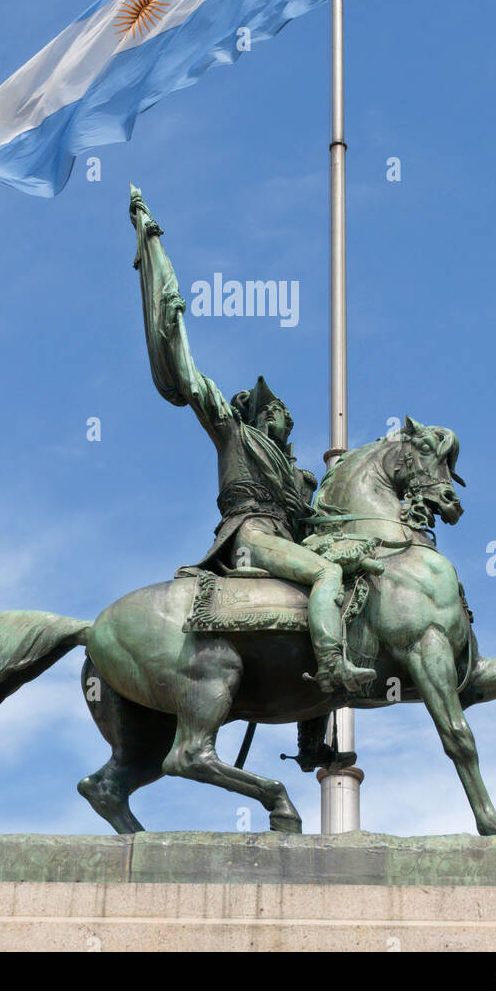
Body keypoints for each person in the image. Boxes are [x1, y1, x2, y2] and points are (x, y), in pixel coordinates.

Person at [130, 185, 377, 696]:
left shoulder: (299, 475)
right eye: (277, 408)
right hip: (251, 540)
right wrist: (170, 316)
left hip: (284, 540)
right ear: (259, 414)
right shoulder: (233, 433)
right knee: (327, 575)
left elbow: (316, 523)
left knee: (349, 581)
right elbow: (193, 382)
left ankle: (312, 723)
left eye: (284, 408)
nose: (285, 413)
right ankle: (332, 668)